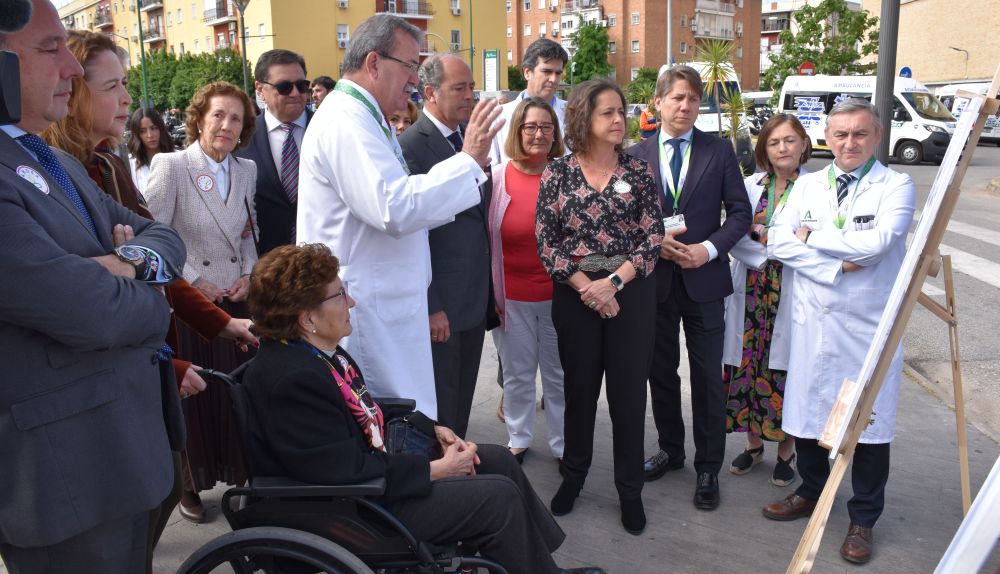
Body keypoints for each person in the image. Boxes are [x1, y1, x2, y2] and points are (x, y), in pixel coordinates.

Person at [243, 243, 605, 574]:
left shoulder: (313, 353)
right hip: (353, 509)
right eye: (340, 295)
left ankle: (539, 568)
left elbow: (362, 410)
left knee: (496, 460)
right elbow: (343, 471)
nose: (350, 303)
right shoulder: (291, 380)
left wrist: (430, 428)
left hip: (366, 483)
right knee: (497, 497)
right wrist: (435, 470)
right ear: (307, 318)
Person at [38, 28, 258, 565]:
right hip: (99, 376)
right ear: (76, 91)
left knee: (155, 490)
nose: (130, 102)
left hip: (152, 352)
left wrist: (214, 319)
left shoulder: (107, 163)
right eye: (113, 86)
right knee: (139, 499)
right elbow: (79, 296)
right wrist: (142, 271)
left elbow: (161, 247)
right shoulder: (48, 169)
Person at [0, 1, 186, 570]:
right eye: (50, 49)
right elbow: (91, 312)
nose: (73, 69)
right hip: (68, 476)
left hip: (122, 453)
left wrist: (125, 263)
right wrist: (153, 298)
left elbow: (165, 239)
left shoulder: (54, 160)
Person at [296, 14, 503, 420]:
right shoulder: (345, 121)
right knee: (391, 425)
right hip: (369, 312)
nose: (414, 77)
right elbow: (393, 207)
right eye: (409, 65)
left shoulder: (369, 118)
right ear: (374, 63)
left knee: (409, 420)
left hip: (387, 307)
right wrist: (469, 160)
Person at [762, 99, 915, 565]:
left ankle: (863, 518)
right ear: (828, 136)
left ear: (877, 137)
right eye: (841, 134)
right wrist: (833, 266)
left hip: (866, 325)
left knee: (867, 426)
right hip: (813, 321)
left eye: (860, 134)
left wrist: (812, 237)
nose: (850, 143)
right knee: (809, 415)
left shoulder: (897, 185)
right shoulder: (808, 185)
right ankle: (810, 490)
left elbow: (879, 242)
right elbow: (777, 239)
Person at [537, 79, 663, 535]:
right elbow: (546, 242)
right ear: (583, 119)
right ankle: (573, 478)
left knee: (629, 397)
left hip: (630, 292)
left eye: (620, 112)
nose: (618, 120)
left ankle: (630, 492)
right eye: (607, 112)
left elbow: (653, 237)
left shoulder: (640, 171)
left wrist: (611, 283)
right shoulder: (558, 174)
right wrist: (586, 287)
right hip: (575, 296)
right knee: (579, 393)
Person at [627, 65, 753, 511]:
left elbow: (740, 214)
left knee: (706, 379)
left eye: (693, 99)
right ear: (657, 103)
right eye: (677, 98)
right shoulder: (635, 155)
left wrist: (709, 250)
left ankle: (707, 467)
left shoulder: (718, 152)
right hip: (653, 284)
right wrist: (651, 242)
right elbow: (624, 220)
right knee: (659, 373)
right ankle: (671, 450)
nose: (685, 106)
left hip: (704, 281)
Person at [145, 80, 260, 523]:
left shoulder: (246, 169)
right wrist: (195, 279)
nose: (226, 125)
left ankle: (238, 473)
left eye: (235, 118)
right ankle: (190, 485)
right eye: (218, 115)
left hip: (237, 301)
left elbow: (249, 233)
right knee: (196, 395)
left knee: (235, 394)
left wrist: (248, 274)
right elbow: (153, 235)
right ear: (198, 118)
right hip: (191, 305)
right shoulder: (172, 165)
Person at [398, 53, 492, 438]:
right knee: (442, 398)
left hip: (473, 295)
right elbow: (412, 234)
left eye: (471, 87)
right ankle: (444, 479)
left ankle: (459, 462)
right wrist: (431, 303)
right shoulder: (411, 147)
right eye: (459, 88)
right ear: (430, 93)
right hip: (441, 304)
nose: (469, 95)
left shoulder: (470, 138)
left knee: (463, 393)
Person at [722, 113, 811, 487]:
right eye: (774, 142)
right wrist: (779, 244)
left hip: (790, 291)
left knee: (785, 372)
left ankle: (787, 452)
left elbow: (815, 241)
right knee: (746, 368)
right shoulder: (750, 185)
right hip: (751, 289)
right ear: (764, 149)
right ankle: (754, 445)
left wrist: (768, 240)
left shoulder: (816, 189)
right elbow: (734, 233)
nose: (782, 148)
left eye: (790, 140)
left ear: (804, 144)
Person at [488, 96, 566, 463]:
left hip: (561, 297)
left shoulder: (566, 175)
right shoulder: (498, 176)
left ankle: (563, 443)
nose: (538, 134)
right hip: (512, 297)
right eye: (530, 126)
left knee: (559, 375)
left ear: (555, 133)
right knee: (518, 375)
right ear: (517, 130)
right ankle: (518, 437)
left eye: (546, 127)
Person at [235, 49, 311, 255]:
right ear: (260, 89)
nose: (295, 93)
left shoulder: (330, 130)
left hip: (325, 261)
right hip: (267, 264)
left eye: (302, 86)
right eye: (284, 87)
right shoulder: (240, 140)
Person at [489, 38, 569, 165]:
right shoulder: (498, 116)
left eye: (558, 73)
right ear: (527, 72)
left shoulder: (573, 114)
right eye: (547, 71)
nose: (553, 79)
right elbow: (491, 168)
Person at [127, 106, 175, 195]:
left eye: (153, 128)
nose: (149, 135)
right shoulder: (129, 164)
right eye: (142, 131)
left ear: (161, 129)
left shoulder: (178, 158)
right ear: (136, 134)